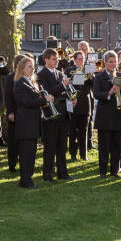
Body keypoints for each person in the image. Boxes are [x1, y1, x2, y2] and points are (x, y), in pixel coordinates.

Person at [13, 56, 52, 188]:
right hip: (25, 124)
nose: (32, 69)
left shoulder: (30, 82)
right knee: (26, 154)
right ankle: (25, 180)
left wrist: (45, 102)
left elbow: (34, 101)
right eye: (29, 66)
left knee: (31, 153)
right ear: (22, 69)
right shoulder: (20, 83)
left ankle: (27, 178)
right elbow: (26, 102)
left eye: (33, 66)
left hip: (33, 123)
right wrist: (44, 100)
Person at [36, 48, 73, 182]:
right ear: (46, 59)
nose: (57, 61)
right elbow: (48, 92)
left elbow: (64, 91)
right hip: (51, 114)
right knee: (50, 146)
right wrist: (63, 85)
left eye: (57, 58)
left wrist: (71, 97)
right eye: (53, 59)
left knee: (62, 146)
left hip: (63, 113)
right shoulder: (41, 75)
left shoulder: (59, 72)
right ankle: (47, 174)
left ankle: (63, 172)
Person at [93, 51, 121, 177]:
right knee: (104, 146)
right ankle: (103, 171)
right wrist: (109, 92)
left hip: (118, 115)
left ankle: (115, 171)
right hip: (105, 117)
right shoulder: (99, 77)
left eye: (115, 61)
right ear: (105, 63)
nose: (113, 64)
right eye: (110, 61)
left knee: (117, 146)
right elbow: (96, 94)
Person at [66, 51, 93, 161]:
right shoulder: (69, 70)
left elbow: (93, 85)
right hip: (73, 103)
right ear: (75, 59)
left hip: (85, 103)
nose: (82, 61)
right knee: (72, 131)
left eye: (83, 59)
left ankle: (83, 154)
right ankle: (73, 154)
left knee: (84, 130)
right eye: (80, 59)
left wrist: (91, 74)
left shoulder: (88, 69)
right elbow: (67, 86)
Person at [3, 54, 24, 172]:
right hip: (14, 113)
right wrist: (10, 112)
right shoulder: (10, 78)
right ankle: (12, 163)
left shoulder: (29, 77)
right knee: (13, 140)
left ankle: (23, 161)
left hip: (25, 113)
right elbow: (8, 97)